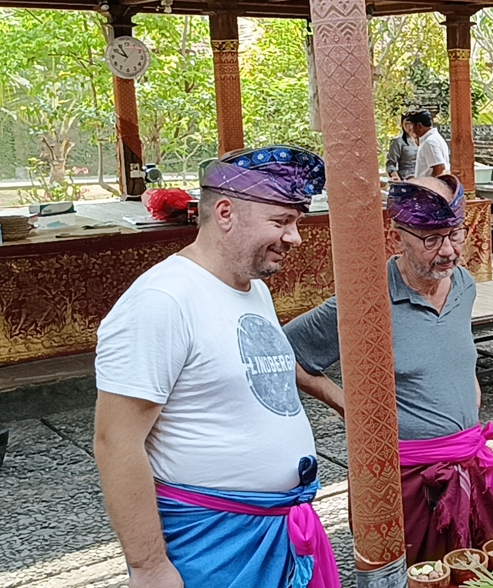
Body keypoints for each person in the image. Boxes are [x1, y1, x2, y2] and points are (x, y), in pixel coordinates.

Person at [93, 145, 341, 588]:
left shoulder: (253, 289)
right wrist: (149, 567)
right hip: (214, 544)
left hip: (281, 528)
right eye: (281, 221)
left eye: (296, 222)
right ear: (225, 212)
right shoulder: (163, 301)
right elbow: (116, 442)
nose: (295, 237)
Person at [285, 174, 493, 564]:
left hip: (470, 460)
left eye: (455, 234)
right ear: (396, 239)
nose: (448, 251)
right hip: (405, 479)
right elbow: (284, 351)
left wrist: (468, 389)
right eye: (431, 239)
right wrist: (347, 405)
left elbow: (454, 353)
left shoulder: (462, 283)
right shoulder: (367, 297)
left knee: (487, 572)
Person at [409, 109, 449, 178]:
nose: (412, 130)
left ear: (419, 125)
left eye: (413, 126)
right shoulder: (434, 138)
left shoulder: (430, 142)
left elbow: (439, 169)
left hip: (430, 187)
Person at [386, 114, 419, 181]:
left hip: (424, 178)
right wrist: (395, 176)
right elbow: (390, 163)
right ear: (402, 124)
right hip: (407, 178)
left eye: (411, 123)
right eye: (406, 124)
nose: (409, 127)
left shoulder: (424, 139)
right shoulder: (398, 141)